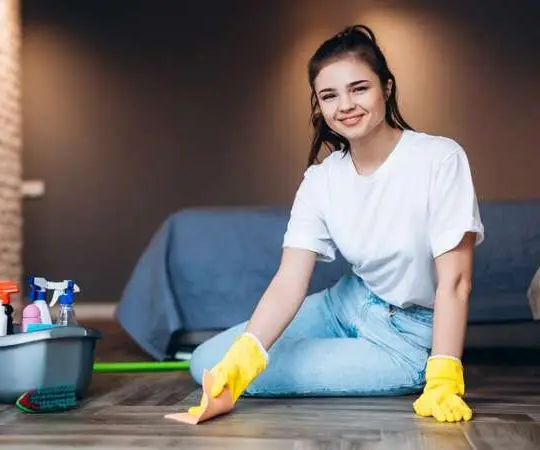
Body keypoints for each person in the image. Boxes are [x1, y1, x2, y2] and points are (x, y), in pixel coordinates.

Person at [186, 24, 484, 423]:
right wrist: (243, 359)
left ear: (387, 88)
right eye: (330, 95)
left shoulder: (440, 159)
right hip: (347, 302)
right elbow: (290, 280)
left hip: (409, 335)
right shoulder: (322, 178)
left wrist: (445, 373)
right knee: (208, 362)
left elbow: (456, 281)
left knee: (240, 372)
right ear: (320, 105)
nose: (345, 105)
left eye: (359, 88)